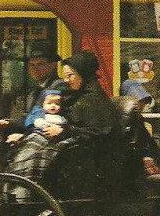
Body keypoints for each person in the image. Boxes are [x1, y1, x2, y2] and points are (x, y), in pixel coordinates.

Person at [8, 50, 120, 199]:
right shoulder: (72, 96)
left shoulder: (95, 100)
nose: (66, 80)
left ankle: (29, 194)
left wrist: (63, 131)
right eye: (65, 76)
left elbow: (97, 132)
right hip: (69, 141)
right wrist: (24, 134)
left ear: (83, 74)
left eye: (70, 75)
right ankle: (17, 190)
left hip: (90, 154)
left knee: (39, 153)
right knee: (30, 144)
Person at [0, 44, 68, 139]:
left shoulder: (58, 86)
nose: (35, 69)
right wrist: (7, 123)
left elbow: (45, 119)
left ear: (53, 65)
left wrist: (23, 137)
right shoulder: (35, 91)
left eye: (40, 64)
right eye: (32, 65)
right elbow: (30, 117)